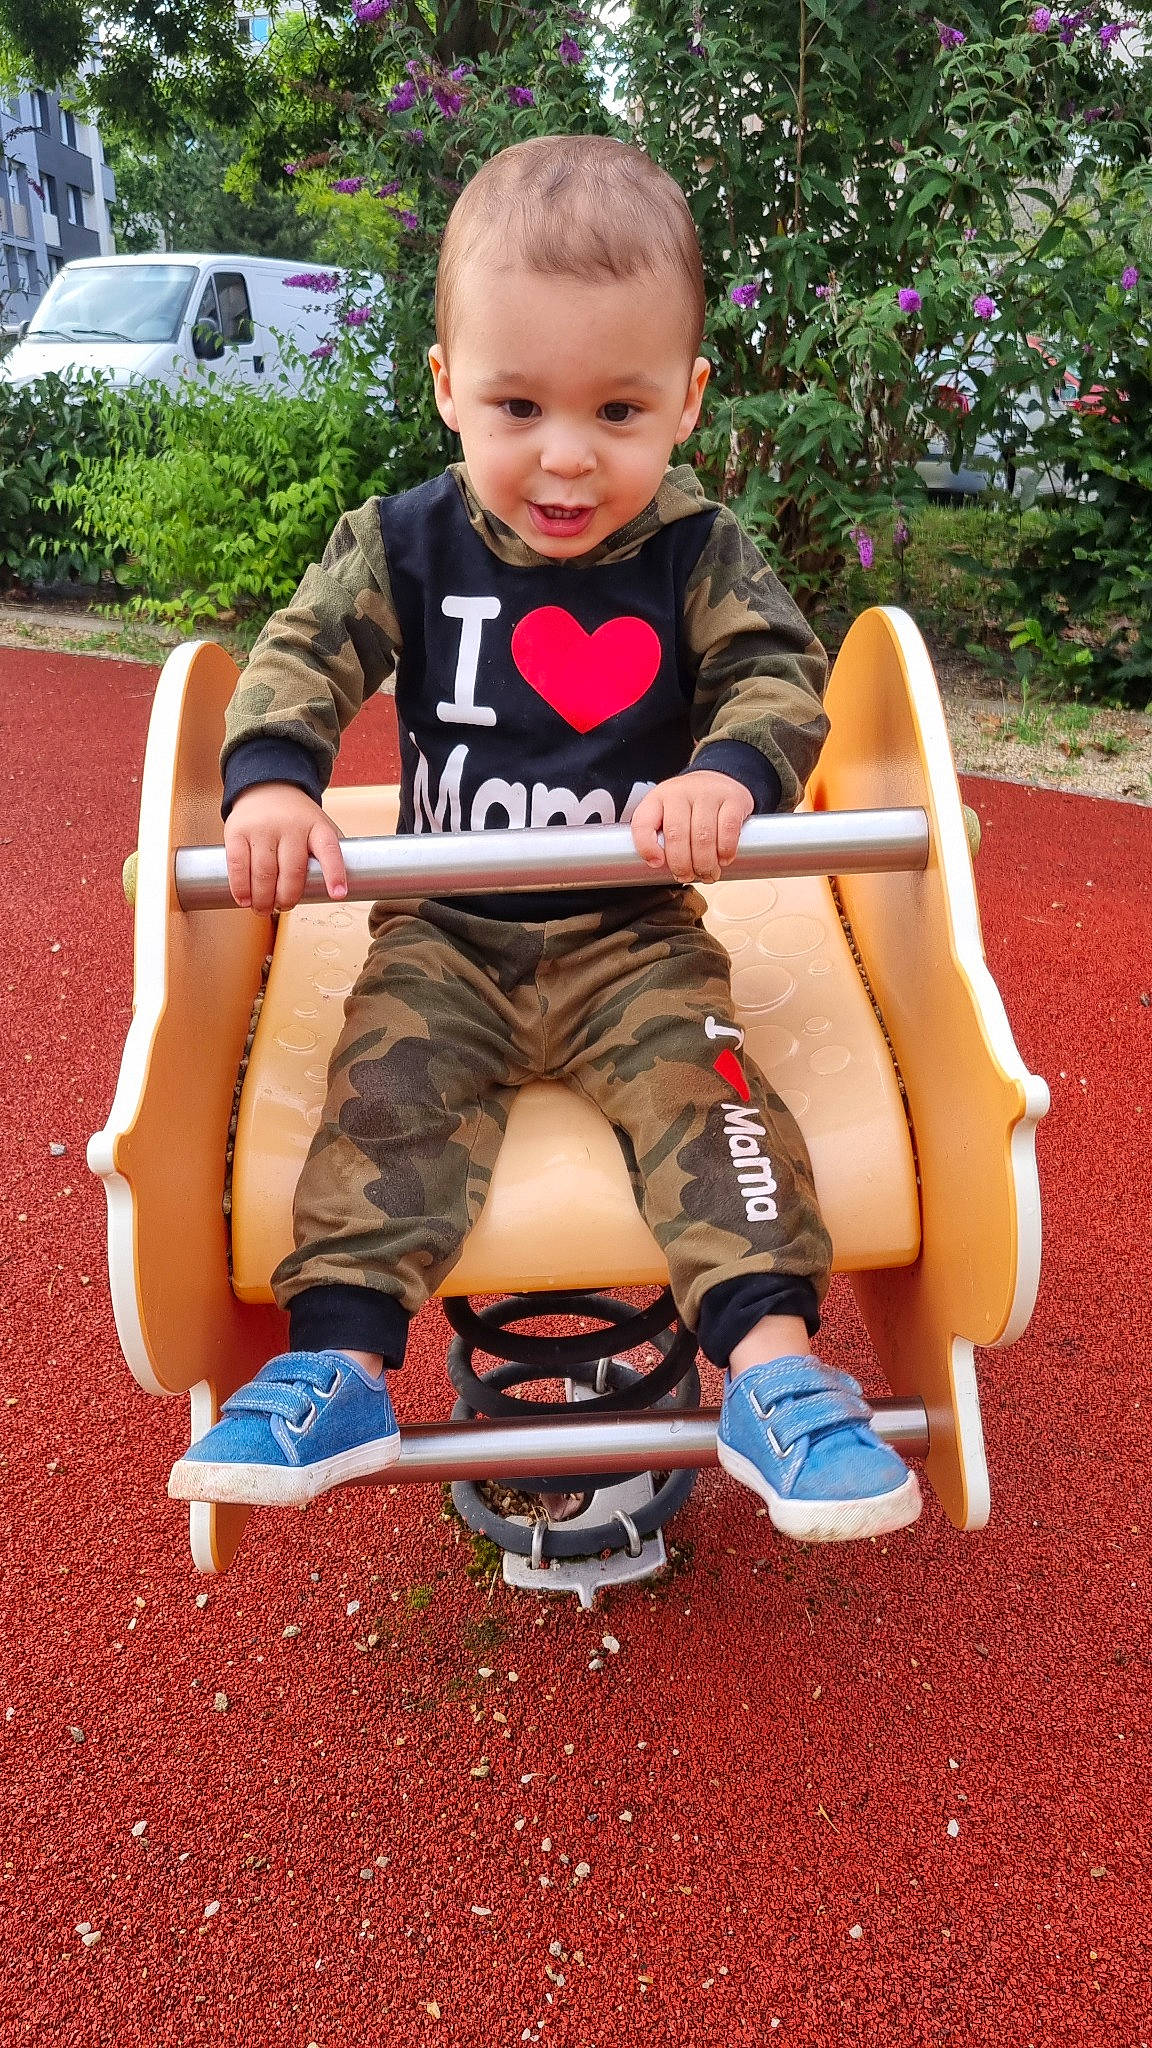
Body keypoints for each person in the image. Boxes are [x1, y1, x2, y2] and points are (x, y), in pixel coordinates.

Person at [169, 134, 921, 1544]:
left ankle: (777, 1375)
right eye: (518, 404)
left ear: (688, 401)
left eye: (618, 410)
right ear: (448, 385)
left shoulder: (697, 553)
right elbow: (301, 654)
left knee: (719, 1108)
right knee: (383, 1101)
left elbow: (777, 672)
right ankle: (338, 1368)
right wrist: (272, 782)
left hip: (634, 938)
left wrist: (727, 774)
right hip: (446, 934)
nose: (566, 456)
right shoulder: (403, 543)